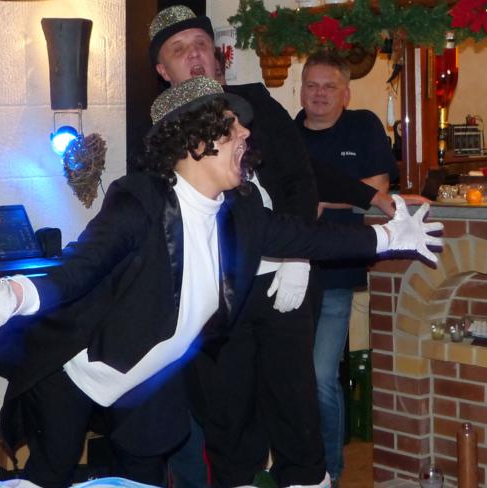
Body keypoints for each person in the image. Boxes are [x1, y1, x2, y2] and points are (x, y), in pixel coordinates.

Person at [0, 77, 441, 488]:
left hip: (146, 384)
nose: (246, 132)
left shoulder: (240, 212)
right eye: (231, 125)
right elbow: (80, 266)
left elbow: (309, 237)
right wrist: (14, 295)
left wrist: (388, 237)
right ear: (195, 140)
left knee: (142, 476)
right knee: (45, 476)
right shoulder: (140, 201)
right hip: (76, 374)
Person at [148, 7, 432, 488]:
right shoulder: (163, 133)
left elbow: (304, 172)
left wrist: (365, 207)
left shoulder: (254, 103)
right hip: (217, 295)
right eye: (179, 50)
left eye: (201, 44)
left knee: (296, 407)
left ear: (217, 55)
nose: (194, 55)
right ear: (163, 70)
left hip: (286, 278)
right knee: (228, 416)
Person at [294, 51, 398, 486]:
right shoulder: (288, 134)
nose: (319, 94)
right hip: (289, 270)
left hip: (337, 271)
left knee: (320, 376)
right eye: (312, 85)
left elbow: (377, 189)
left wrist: (321, 199)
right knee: (293, 378)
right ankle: (301, 467)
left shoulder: (363, 125)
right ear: (301, 89)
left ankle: (331, 472)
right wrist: (339, 197)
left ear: (345, 94)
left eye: (329, 86)